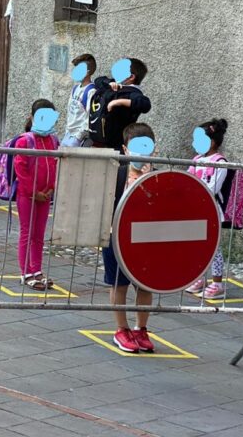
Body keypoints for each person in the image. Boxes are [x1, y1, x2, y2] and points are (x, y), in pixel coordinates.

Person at [102, 122, 157, 353]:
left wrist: (147, 182)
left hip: (146, 240)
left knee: (145, 285)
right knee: (119, 283)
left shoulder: (158, 175)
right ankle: (121, 329)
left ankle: (141, 329)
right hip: (116, 237)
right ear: (125, 150)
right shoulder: (117, 173)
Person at [14, 99, 59, 287]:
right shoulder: (25, 141)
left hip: (45, 195)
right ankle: (26, 272)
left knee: (39, 234)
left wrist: (50, 189)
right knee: (27, 232)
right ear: (33, 118)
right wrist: (34, 192)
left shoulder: (53, 140)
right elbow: (21, 170)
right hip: (28, 196)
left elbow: (56, 165)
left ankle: (37, 269)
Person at [186, 118, 229, 299]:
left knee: (213, 248)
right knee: (197, 246)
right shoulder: (197, 160)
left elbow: (213, 188)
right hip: (196, 211)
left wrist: (194, 188)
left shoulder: (220, 162)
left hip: (212, 212)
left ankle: (217, 283)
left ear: (211, 142)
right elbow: (187, 178)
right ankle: (200, 277)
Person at [89, 58, 150, 151]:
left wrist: (118, 102)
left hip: (116, 146)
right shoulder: (115, 85)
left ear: (131, 77)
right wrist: (109, 83)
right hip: (97, 140)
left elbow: (145, 104)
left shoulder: (133, 93)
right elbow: (98, 80)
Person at [61, 53, 96, 147]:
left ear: (87, 72)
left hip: (79, 139)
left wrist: (78, 137)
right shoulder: (75, 88)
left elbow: (89, 118)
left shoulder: (91, 91)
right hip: (68, 135)